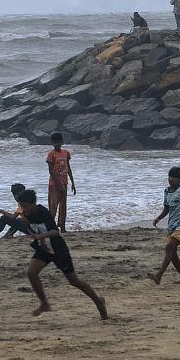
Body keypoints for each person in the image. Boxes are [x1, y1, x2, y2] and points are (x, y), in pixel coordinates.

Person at [16, 188, 108, 319]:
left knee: (74, 281)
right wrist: (32, 233)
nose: (22, 209)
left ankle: (98, 301)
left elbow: (55, 232)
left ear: (33, 204)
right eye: (21, 206)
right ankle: (44, 304)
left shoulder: (43, 212)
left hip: (58, 250)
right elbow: (30, 224)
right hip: (44, 248)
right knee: (31, 273)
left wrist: (41, 235)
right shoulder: (27, 213)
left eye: (24, 206)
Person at [149, 166, 180, 285]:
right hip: (172, 225)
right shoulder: (167, 191)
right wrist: (159, 218)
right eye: (170, 176)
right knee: (172, 252)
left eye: (174, 177)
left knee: (170, 247)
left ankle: (159, 275)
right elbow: (167, 208)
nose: (171, 179)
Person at [46, 132, 75, 232]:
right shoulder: (51, 154)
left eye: (59, 142)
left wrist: (73, 183)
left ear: (62, 142)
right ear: (52, 143)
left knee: (63, 206)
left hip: (65, 183)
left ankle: (62, 227)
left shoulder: (66, 153)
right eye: (55, 142)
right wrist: (58, 184)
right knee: (53, 206)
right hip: (54, 184)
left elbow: (68, 168)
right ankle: (50, 227)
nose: (57, 144)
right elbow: (51, 171)